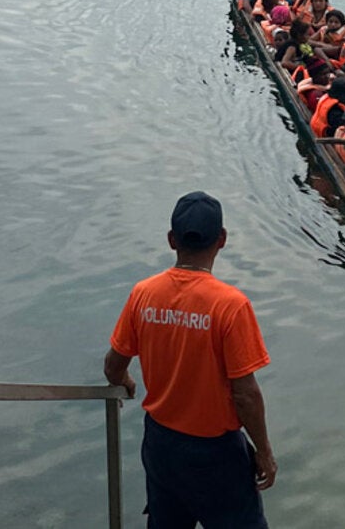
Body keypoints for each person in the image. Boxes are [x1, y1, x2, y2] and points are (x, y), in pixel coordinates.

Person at [105, 192, 277, 528]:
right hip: (216, 454)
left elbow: (114, 365)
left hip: (161, 444)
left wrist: (125, 383)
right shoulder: (230, 305)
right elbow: (245, 393)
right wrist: (264, 451)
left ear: (172, 240)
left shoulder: (144, 294)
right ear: (222, 239)